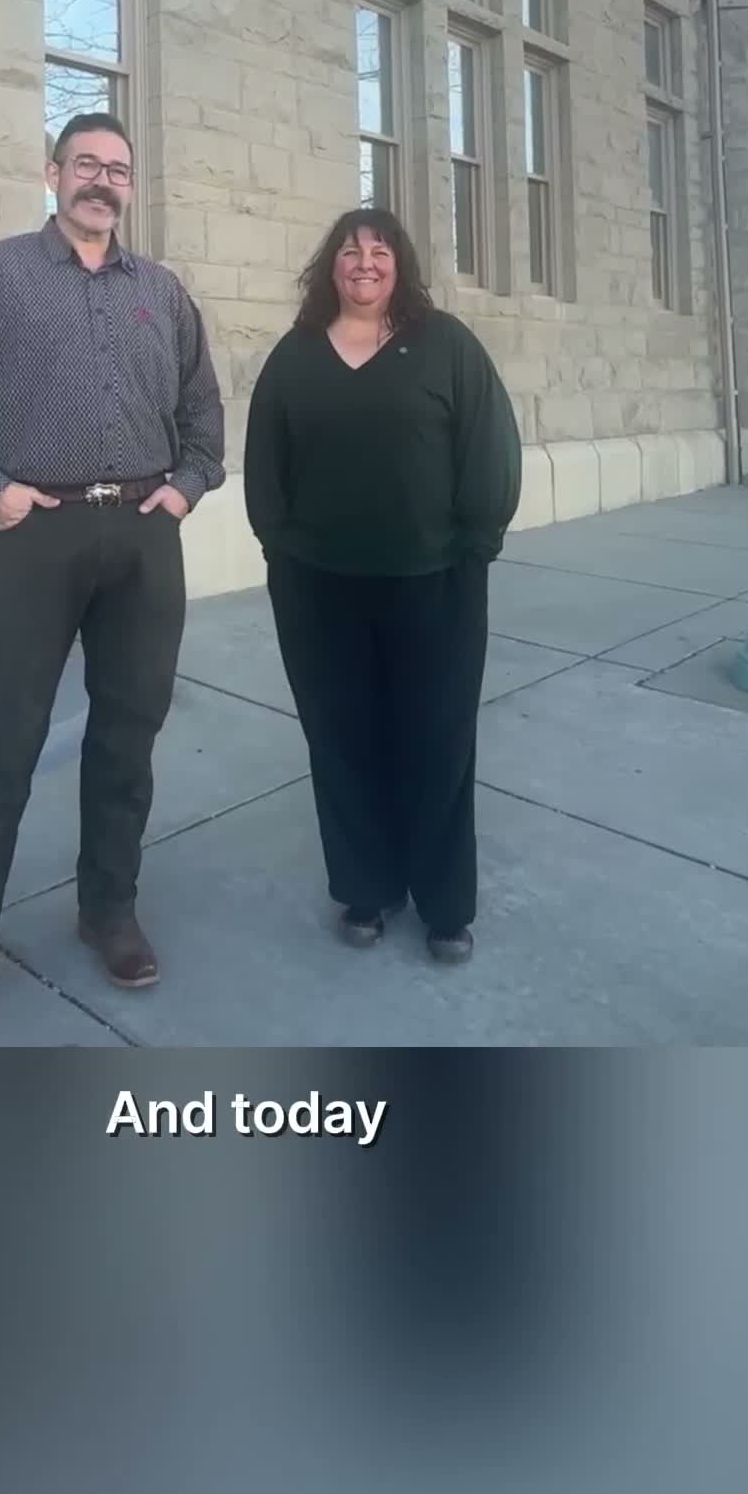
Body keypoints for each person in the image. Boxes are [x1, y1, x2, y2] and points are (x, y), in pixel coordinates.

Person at [0, 112, 225, 1042]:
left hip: (141, 534)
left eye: (117, 168)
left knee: (128, 735)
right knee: (4, 744)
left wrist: (189, 487)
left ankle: (108, 910)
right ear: (52, 174)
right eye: (85, 163)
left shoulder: (161, 292)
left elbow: (203, 407)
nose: (101, 180)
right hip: (34, 531)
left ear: (130, 186)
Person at [243, 208, 520, 963]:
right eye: (349, 250)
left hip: (434, 585)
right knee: (342, 741)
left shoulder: (446, 347)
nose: (364, 261)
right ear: (328, 266)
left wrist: (476, 542)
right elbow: (266, 463)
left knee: (436, 742)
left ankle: (444, 904)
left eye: (379, 250)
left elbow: (490, 447)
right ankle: (364, 888)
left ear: (401, 264)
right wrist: (281, 547)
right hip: (319, 589)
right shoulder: (296, 357)